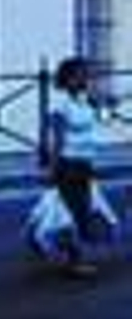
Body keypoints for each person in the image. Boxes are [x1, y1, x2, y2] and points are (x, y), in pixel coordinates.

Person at [41, 56, 105, 276]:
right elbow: (56, 138)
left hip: (85, 161)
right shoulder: (60, 103)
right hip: (68, 164)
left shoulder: (83, 99)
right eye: (80, 75)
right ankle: (75, 261)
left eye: (86, 74)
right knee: (74, 212)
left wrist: (95, 100)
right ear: (68, 78)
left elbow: (102, 115)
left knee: (73, 209)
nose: (86, 78)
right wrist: (52, 167)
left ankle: (41, 240)